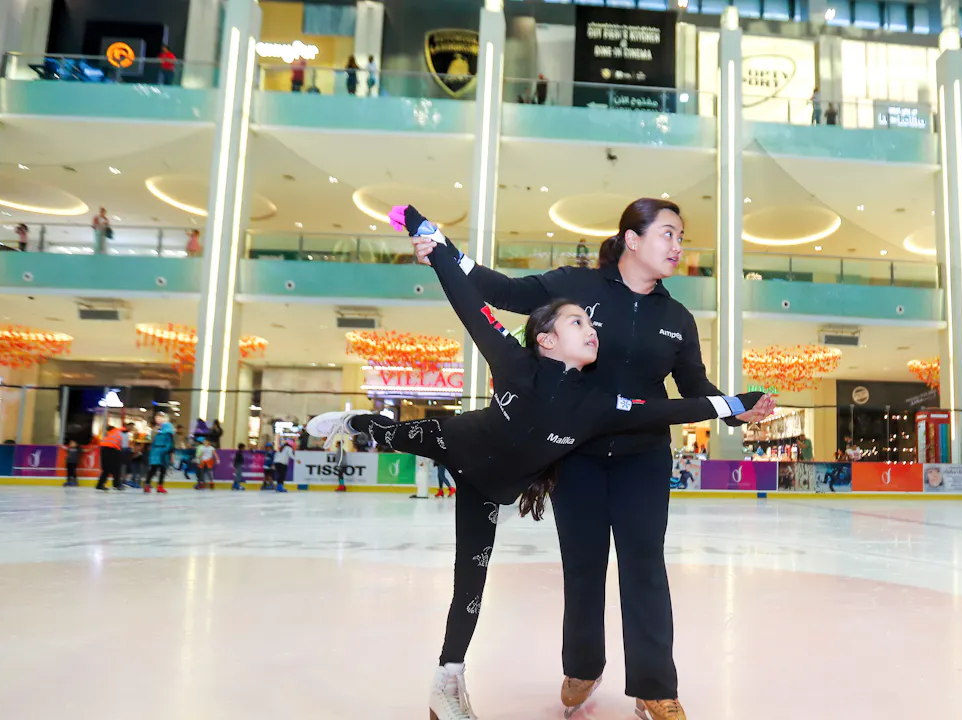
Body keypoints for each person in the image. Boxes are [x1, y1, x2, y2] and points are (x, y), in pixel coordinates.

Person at [309, 205, 767, 720]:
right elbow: (495, 294)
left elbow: (684, 394)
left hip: (640, 453)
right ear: (632, 240)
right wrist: (439, 250)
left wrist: (735, 407)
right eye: (668, 233)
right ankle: (582, 668)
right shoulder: (574, 289)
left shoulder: (676, 319)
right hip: (573, 453)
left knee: (645, 564)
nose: (679, 244)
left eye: (681, 235)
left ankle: (655, 687)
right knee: (583, 563)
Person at [146, 413, 174, 494]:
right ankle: (160, 486)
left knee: (153, 469)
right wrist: (170, 454)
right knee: (163, 470)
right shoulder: (168, 435)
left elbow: (152, 443)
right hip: (163, 454)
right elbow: (170, 445)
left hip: (155, 453)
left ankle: (147, 485)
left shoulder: (157, 434)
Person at [95, 425, 125, 491]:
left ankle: (99, 485)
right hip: (113, 450)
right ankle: (117, 485)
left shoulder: (109, 434)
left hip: (103, 449)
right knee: (117, 468)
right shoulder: (118, 431)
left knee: (106, 469)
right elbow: (122, 443)